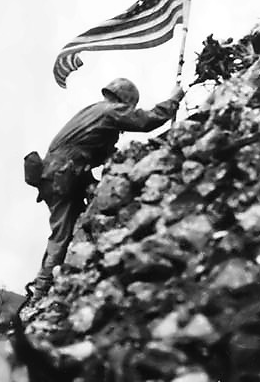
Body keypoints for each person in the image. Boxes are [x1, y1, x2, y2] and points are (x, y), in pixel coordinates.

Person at [26, 78, 184, 302]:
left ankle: (53, 278)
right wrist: (173, 101)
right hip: (62, 177)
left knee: (70, 225)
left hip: (57, 175)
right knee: (62, 231)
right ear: (126, 100)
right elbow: (145, 121)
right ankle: (42, 287)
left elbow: (85, 152)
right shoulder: (110, 111)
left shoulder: (92, 111)